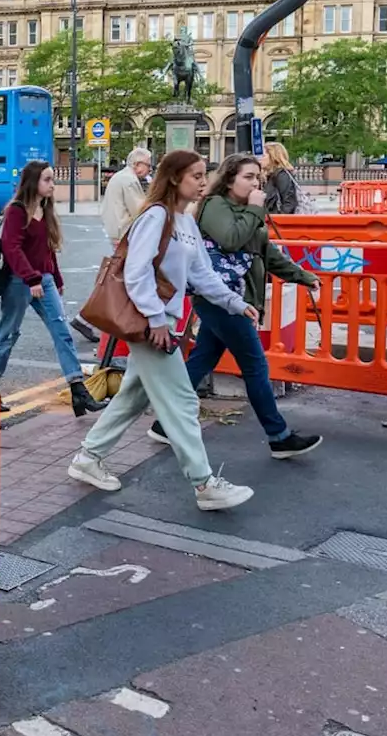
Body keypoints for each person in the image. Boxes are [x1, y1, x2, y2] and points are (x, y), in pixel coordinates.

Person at [68, 150, 260, 512]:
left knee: (133, 397)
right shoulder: (155, 217)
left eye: (205, 175)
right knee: (183, 401)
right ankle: (204, 484)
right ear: (174, 178)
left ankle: (88, 459)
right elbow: (137, 273)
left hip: (161, 322)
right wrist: (156, 319)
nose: (204, 182)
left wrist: (234, 302)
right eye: (197, 176)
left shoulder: (185, 223)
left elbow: (201, 276)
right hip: (149, 324)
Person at [144, 153, 323, 458]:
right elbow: (231, 238)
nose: (257, 183)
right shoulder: (215, 207)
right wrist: (256, 208)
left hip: (237, 298)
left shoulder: (247, 210)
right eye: (249, 177)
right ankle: (279, 436)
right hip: (219, 297)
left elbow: (264, 252)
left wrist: (302, 276)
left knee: (202, 360)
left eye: (258, 177)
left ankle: (164, 424)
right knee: (255, 365)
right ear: (229, 180)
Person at [0, 160, 105, 417]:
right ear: (33, 183)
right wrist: (31, 279)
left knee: (62, 332)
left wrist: (56, 279)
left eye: (52, 179)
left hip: (44, 280)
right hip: (20, 282)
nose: (53, 184)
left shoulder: (45, 209)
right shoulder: (17, 211)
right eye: (47, 180)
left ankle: (78, 391)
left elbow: (48, 249)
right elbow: (12, 248)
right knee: (8, 333)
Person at [71, 148, 157, 344]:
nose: (149, 169)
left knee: (121, 280)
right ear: (136, 164)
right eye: (147, 165)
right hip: (125, 234)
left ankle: (87, 319)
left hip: (120, 233)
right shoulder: (128, 180)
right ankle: (87, 319)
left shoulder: (122, 178)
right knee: (120, 281)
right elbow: (140, 208)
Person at [261, 142, 299, 215]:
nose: (260, 159)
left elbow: (289, 203)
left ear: (273, 157)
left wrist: (279, 220)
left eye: (263, 156)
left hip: (277, 222)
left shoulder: (281, 175)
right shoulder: (269, 176)